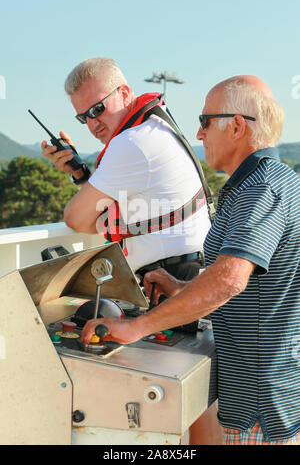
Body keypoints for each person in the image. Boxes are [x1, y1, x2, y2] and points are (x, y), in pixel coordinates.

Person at [81, 75, 300, 445]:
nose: (199, 135)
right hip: (265, 384)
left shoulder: (260, 189)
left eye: (204, 122)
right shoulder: (273, 180)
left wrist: (137, 328)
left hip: (259, 398)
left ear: (236, 125)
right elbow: (257, 288)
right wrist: (182, 288)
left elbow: (230, 280)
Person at [41, 57, 212, 283]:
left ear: (124, 93)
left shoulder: (131, 142)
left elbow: (76, 218)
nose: (93, 124)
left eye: (97, 109)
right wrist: (81, 174)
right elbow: (105, 211)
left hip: (171, 279)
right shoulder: (156, 126)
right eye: (83, 118)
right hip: (188, 273)